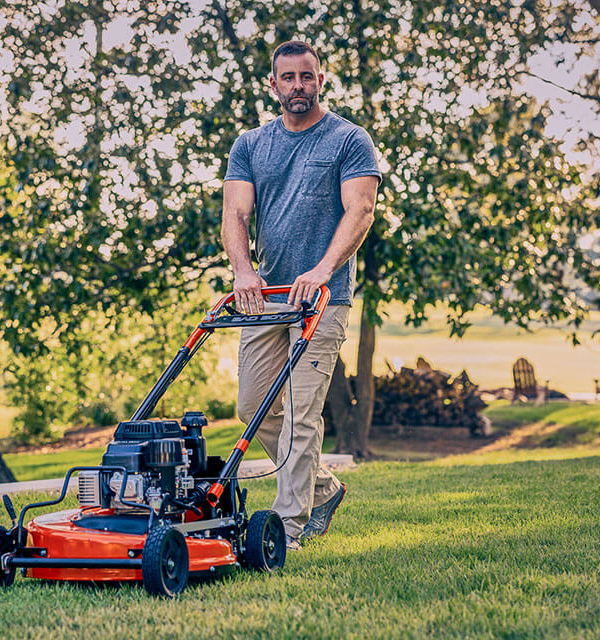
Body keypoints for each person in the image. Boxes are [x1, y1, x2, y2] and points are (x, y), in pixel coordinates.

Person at [221, 40, 381, 550]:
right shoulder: (250, 144)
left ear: (320, 80)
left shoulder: (349, 140)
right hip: (266, 294)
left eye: (306, 77)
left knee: (300, 410)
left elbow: (361, 210)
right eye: (287, 78)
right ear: (273, 85)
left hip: (323, 297)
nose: (297, 86)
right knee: (252, 405)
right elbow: (236, 215)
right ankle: (322, 487)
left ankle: (287, 528)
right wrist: (244, 272)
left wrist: (323, 269)